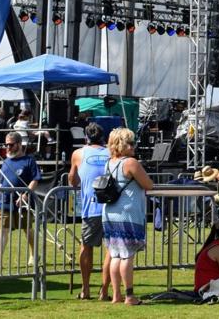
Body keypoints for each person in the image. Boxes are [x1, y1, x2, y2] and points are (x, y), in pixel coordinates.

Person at [102, 127, 154, 304]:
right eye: (130, 143)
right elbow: (148, 184)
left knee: (115, 255)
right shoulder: (130, 163)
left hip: (110, 212)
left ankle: (116, 295)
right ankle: (129, 296)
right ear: (122, 144)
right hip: (128, 214)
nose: (134, 146)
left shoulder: (109, 162)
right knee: (127, 256)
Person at [67, 122, 112, 300]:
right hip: (110, 207)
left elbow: (73, 180)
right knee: (112, 250)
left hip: (91, 208)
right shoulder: (112, 152)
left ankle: (85, 289)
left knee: (86, 247)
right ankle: (105, 291)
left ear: (86, 137)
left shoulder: (78, 154)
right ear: (103, 136)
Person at [0, 132, 40, 269]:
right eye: (6, 145)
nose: (7, 147)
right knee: (3, 230)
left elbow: (35, 180)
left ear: (19, 144)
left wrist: (25, 195)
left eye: (10, 145)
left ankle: (33, 255)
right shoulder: (6, 161)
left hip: (23, 202)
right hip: (4, 201)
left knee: (27, 229)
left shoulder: (29, 161)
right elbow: (2, 182)